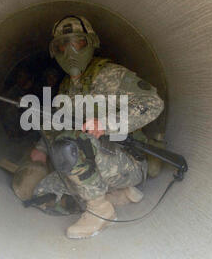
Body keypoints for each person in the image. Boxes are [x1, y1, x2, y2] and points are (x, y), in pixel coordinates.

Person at [29, 16, 164, 239]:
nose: (70, 51)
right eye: (63, 45)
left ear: (91, 43)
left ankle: (100, 210)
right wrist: (42, 149)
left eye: (77, 43)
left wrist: (106, 124)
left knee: (68, 147)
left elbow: (153, 103)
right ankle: (117, 193)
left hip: (126, 160)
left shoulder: (109, 74)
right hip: (99, 158)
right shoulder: (66, 86)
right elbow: (58, 122)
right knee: (42, 192)